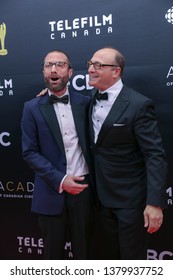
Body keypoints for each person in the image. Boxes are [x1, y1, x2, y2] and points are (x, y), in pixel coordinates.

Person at [86, 47, 167, 260]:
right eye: (90, 64)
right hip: (100, 200)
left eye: (98, 65)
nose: (91, 69)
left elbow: (154, 155)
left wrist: (154, 203)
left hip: (131, 202)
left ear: (116, 72)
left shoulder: (139, 104)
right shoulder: (90, 99)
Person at [21, 49, 95, 260]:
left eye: (60, 64)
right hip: (50, 193)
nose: (53, 69)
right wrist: (61, 180)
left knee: (85, 255)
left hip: (85, 192)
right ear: (43, 71)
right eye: (48, 65)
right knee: (52, 258)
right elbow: (29, 152)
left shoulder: (86, 103)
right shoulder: (32, 108)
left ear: (70, 72)